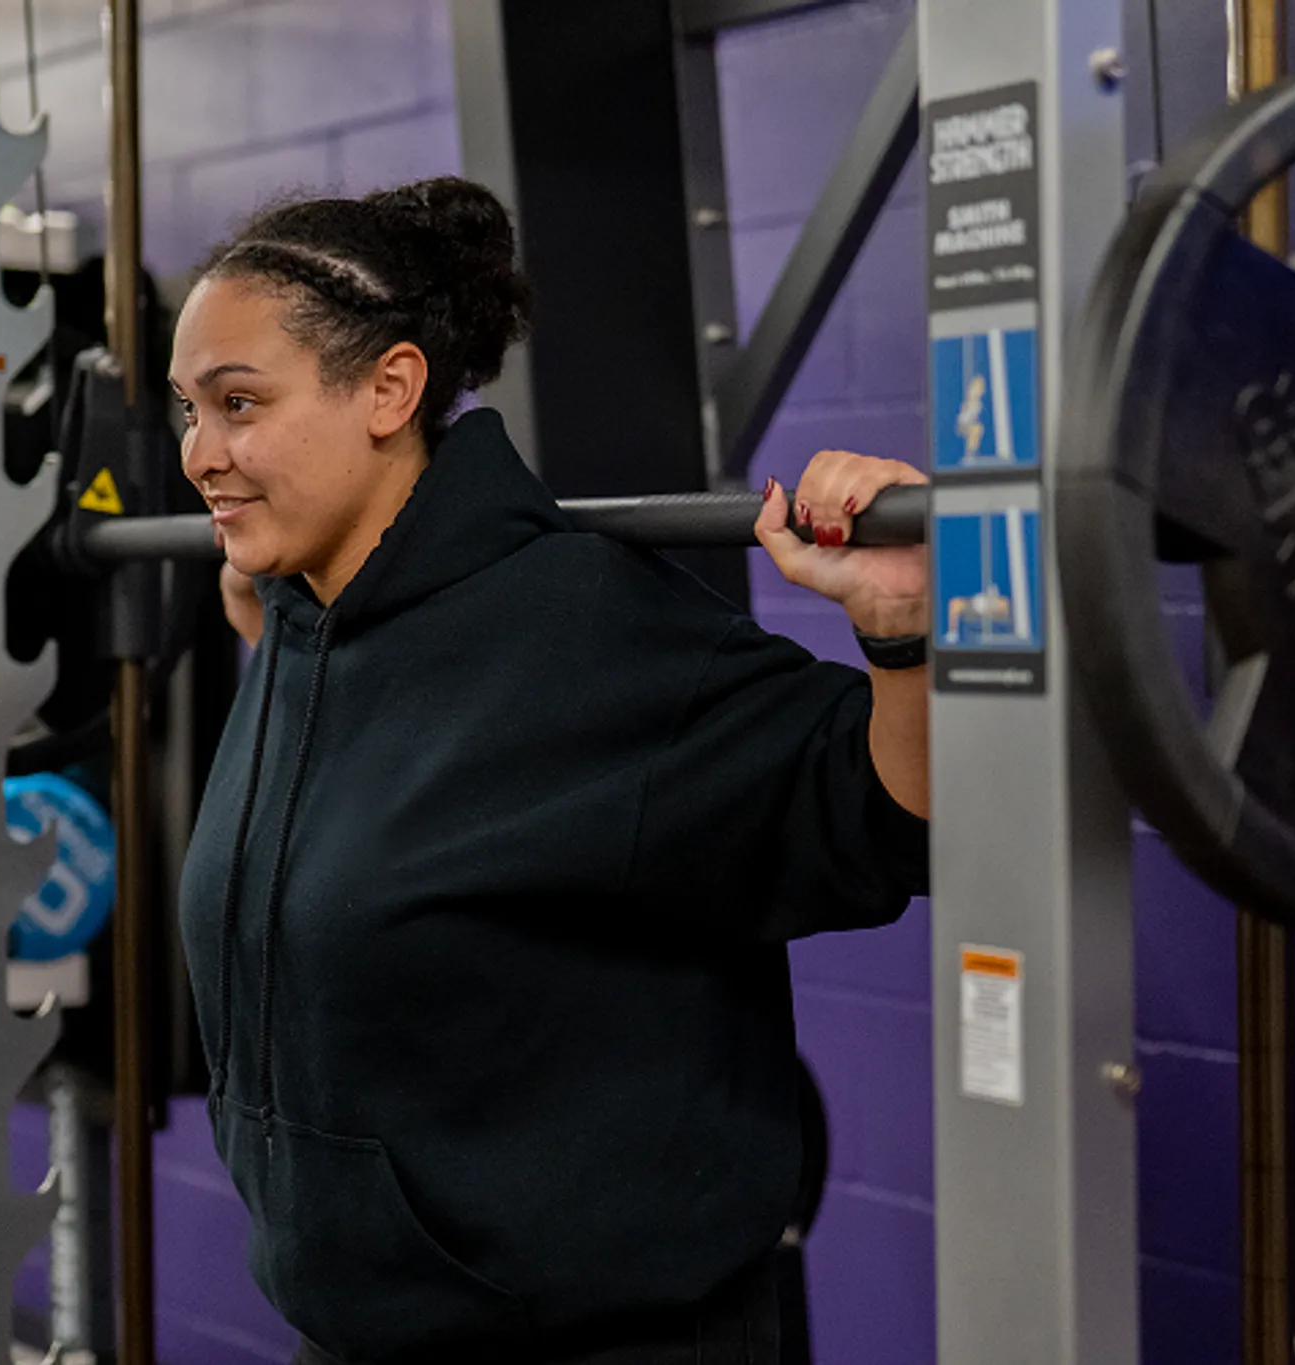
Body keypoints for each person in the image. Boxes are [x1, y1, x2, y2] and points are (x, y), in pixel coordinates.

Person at [170, 176, 931, 1365]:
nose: (199, 455)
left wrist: (899, 627)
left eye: (239, 405)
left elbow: (893, 821)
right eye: (187, 412)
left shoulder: (579, 633)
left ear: (389, 389)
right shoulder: (307, 617)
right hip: (362, 1330)